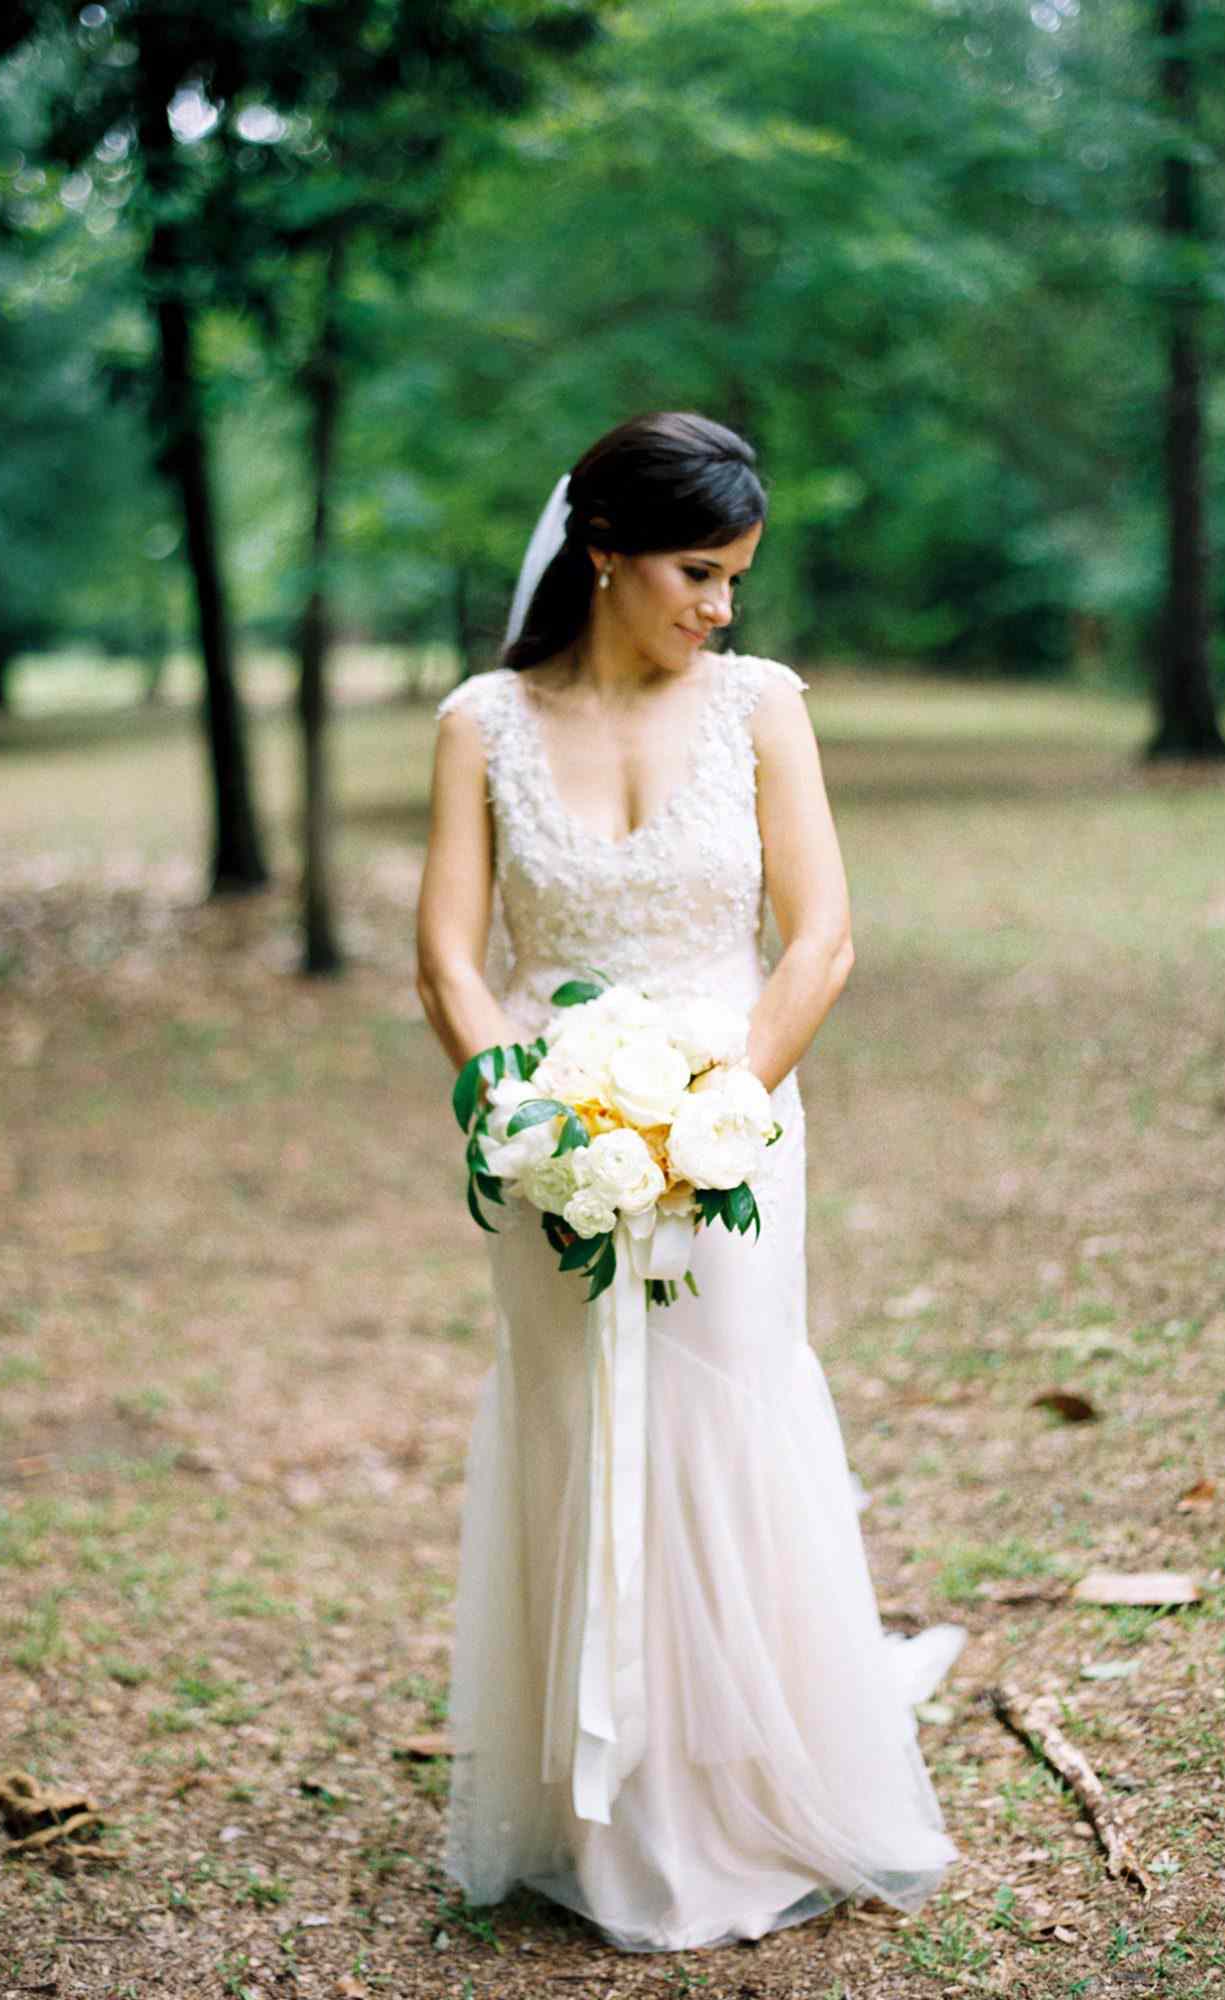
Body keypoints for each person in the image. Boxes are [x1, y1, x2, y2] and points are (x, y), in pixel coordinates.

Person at [414, 412, 964, 1954]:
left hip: (731, 1131)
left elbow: (821, 939)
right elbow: (451, 956)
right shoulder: (481, 722)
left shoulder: (757, 707)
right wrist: (517, 1103)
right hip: (546, 1145)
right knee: (578, 1423)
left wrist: (710, 1114)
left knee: (725, 1413)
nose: (721, 604)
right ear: (602, 554)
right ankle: (601, 1807)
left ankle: (739, 1786)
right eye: (697, 572)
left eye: (734, 578)